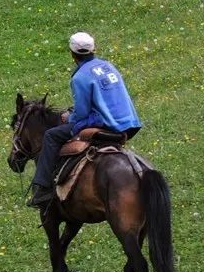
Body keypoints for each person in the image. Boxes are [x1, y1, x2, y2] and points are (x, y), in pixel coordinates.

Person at [27, 32, 142, 207]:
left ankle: (42, 189)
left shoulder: (80, 77)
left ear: (72, 54)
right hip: (129, 123)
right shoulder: (108, 66)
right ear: (94, 49)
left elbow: (81, 113)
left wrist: (69, 116)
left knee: (51, 135)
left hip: (108, 124)